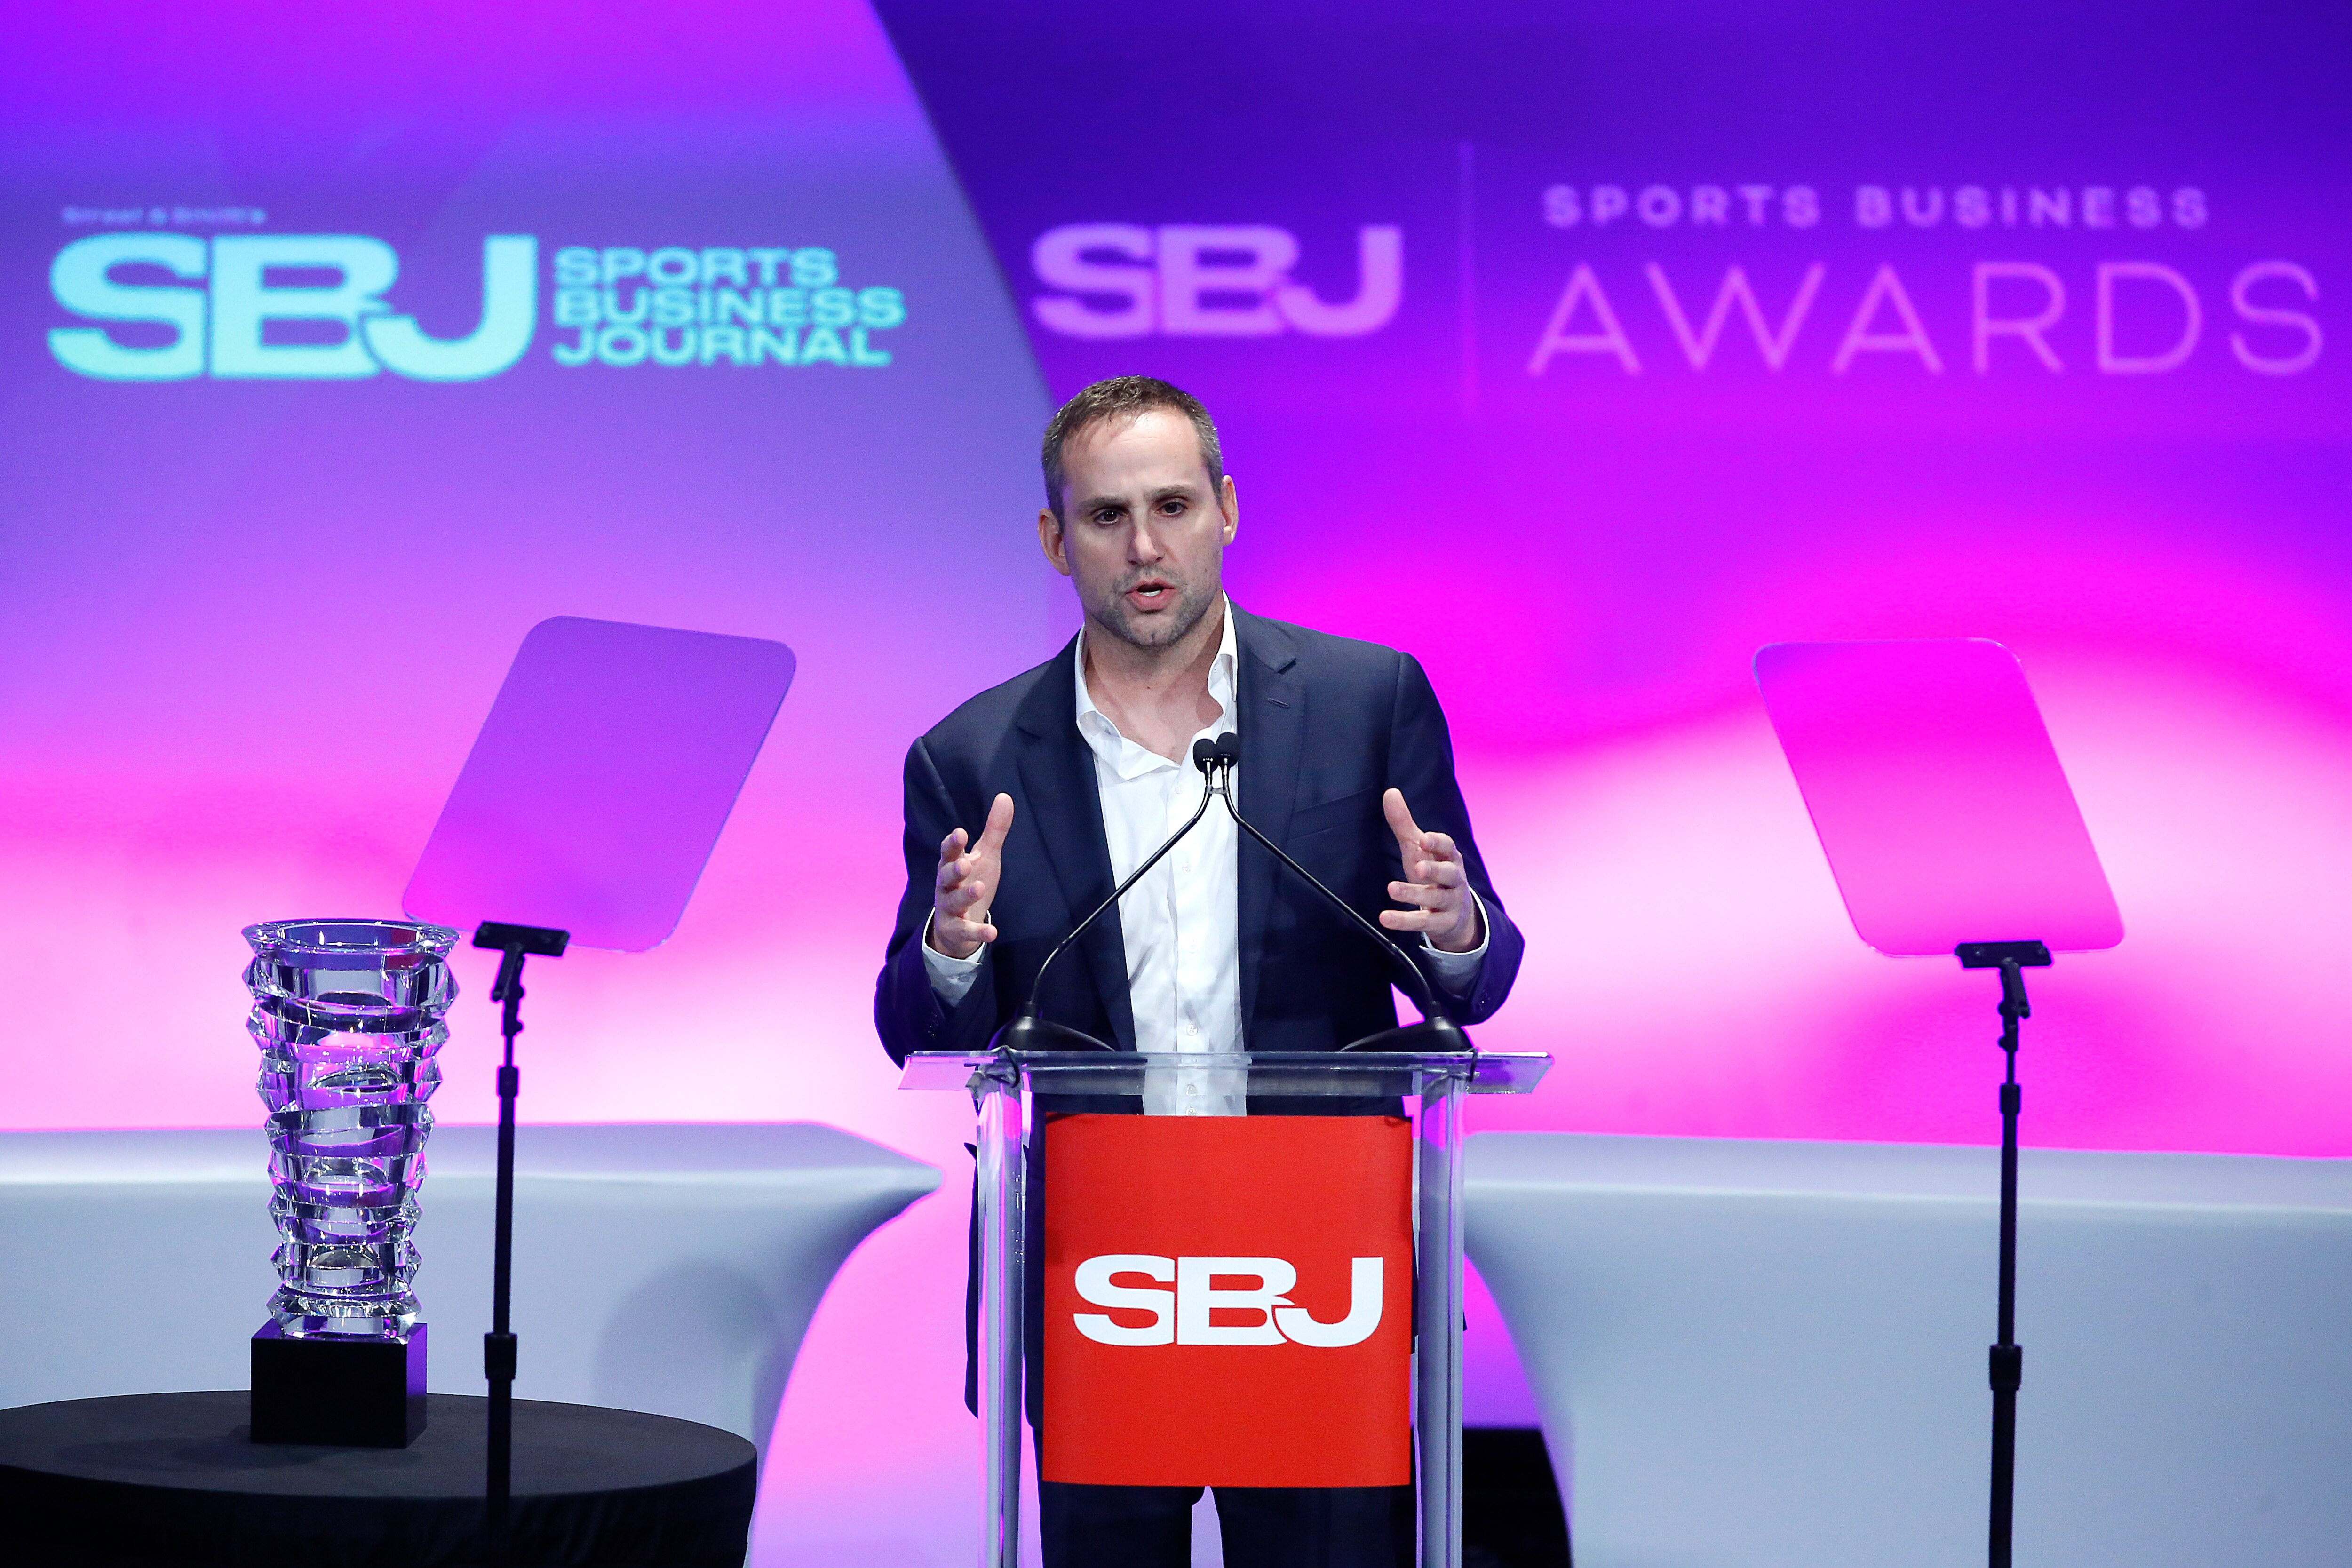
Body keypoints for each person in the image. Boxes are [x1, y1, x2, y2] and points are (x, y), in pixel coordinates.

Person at [874, 376, 1522, 1567]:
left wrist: (1454, 927)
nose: (1144, 545)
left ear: (1226, 507)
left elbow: (1472, 981)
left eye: (1171, 505)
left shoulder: (1364, 700)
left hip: (1316, 1262)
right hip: (1098, 1274)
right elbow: (909, 1026)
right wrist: (950, 953)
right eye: (1106, 515)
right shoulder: (968, 755)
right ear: (1054, 539)